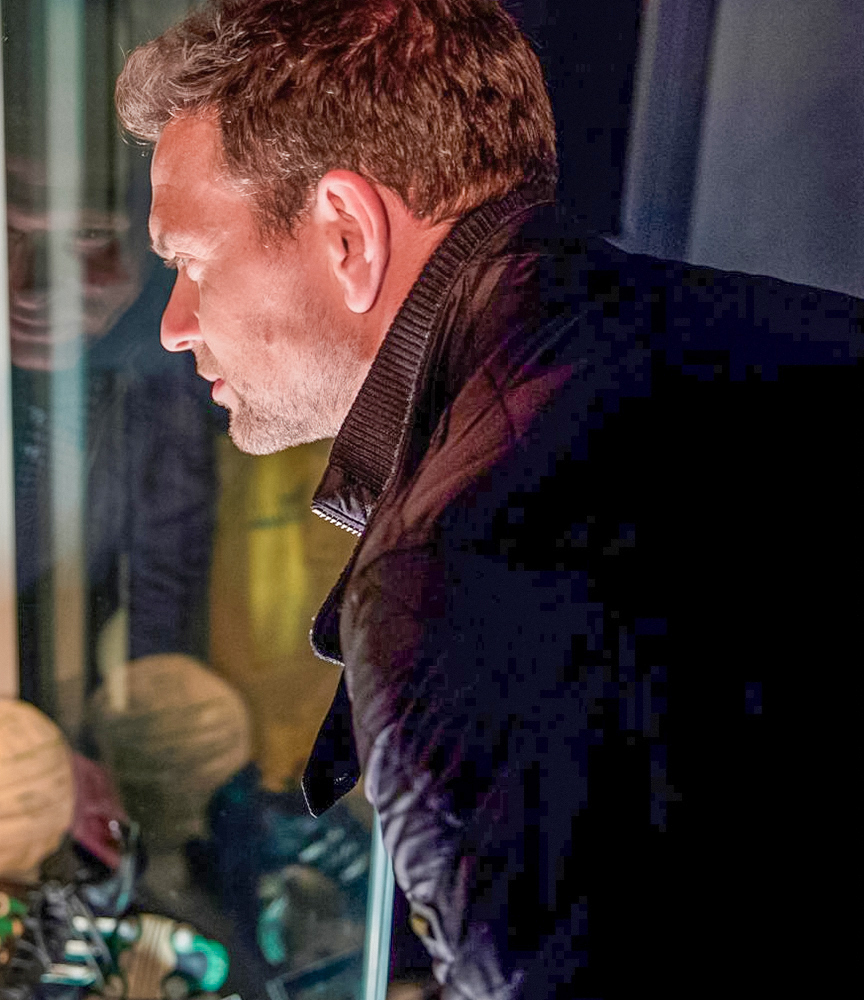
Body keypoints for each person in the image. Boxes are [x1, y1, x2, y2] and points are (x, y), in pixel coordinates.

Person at [116, 1, 863, 998]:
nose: (172, 325)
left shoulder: (453, 571)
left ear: (345, 233)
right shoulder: (708, 322)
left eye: (189, 262)